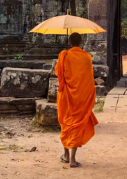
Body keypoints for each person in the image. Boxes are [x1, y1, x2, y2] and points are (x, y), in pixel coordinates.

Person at [55, 32, 98, 168]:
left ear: (69, 42)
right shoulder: (87, 57)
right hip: (81, 97)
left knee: (66, 124)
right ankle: (72, 159)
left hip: (66, 96)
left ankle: (66, 155)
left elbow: (58, 73)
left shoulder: (64, 56)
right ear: (81, 42)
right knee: (77, 125)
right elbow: (89, 79)